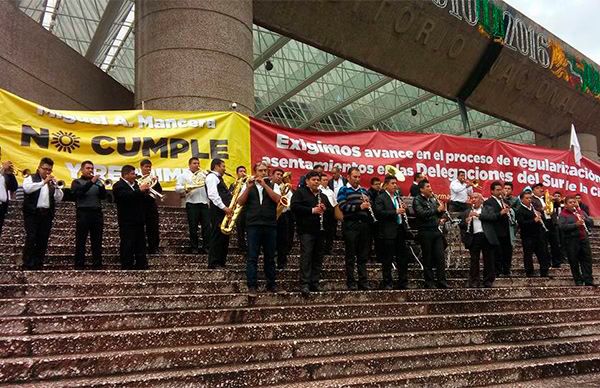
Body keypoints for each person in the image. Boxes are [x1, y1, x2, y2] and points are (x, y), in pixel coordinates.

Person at [237, 162, 282, 295]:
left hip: (270, 224)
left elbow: (278, 199)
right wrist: (248, 188)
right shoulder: (248, 185)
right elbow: (240, 202)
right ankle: (252, 285)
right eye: (260, 170)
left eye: (265, 170)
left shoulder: (273, 185)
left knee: (270, 256)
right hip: (253, 225)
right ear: (255, 171)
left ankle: (271, 284)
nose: (263, 173)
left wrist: (264, 185)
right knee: (252, 256)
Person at [291, 170, 332, 296]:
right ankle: (304, 284)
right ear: (307, 181)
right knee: (307, 256)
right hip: (306, 230)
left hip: (320, 231)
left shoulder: (323, 195)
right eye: (313, 180)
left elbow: (330, 211)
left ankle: (314, 282)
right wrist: (312, 210)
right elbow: (294, 207)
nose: (316, 182)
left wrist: (325, 209)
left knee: (318, 257)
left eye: (318, 180)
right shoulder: (300, 193)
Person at [22, 157, 64, 270]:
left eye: (50, 170)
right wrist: (43, 182)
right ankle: (27, 262)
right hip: (32, 213)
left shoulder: (51, 183)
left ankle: (38, 262)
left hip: (46, 214)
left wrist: (56, 188)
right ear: (39, 168)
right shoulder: (30, 178)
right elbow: (27, 189)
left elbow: (58, 198)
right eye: (45, 169)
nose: (48, 172)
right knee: (31, 237)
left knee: (43, 239)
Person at [337, 167, 374, 290]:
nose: (357, 179)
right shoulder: (343, 189)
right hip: (350, 225)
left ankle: (363, 281)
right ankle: (351, 282)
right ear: (348, 177)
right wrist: (360, 206)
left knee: (363, 255)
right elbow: (343, 206)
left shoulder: (364, 190)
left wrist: (369, 204)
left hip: (363, 225)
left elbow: (369, 207)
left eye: (359, 177)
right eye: (355, 177)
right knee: (350, 255)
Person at [374, 175, 409, 290]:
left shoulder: (398, 197)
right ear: (386, 185)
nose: (395, 185)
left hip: (400, 230)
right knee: (388, 259)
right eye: (393, 183)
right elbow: (379, 213)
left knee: (402, 258)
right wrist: (395, 211)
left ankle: (403, 282)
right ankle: (387, 282)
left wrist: (404, 208)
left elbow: (402, 212)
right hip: (388, 232)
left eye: (396, 183)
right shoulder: (381, 197)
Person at [113, 165, 150, 270]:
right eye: (132, 174)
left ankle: (141, 264)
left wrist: (145, 193)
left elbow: (140, 199)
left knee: (141, 243)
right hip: (127, 220)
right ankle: (127, 265)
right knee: (127, 243)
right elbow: (124, 197)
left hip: (139, 219)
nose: (135, 176)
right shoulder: (118, 185)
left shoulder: (136, 185)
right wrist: (139, 191)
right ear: (125, 175)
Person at [412, 179, 448, 289]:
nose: (430, 188)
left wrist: (443, 210)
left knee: (440, 257)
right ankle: (429, 281)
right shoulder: (417, 200)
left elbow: (438, 214)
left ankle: (442, 281)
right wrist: (437, 210)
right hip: (425, 231)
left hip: (435, 231)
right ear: (422, 189)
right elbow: (421, 214)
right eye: (427, 186)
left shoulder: (432, 200)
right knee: (427, 257)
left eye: (430, 186)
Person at [71, 160, 106, 269]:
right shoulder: (76, 182)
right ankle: (79, 264)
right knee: (81, 240)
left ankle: (97, 264)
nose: (90, 170)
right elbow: (78, 193)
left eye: (92, 168)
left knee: (97, 240)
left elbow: (103, 196)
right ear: (82, 170)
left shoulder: (97, 182)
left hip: (96, 213)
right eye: (88, 168)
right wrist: (91, 182)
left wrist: (101, 185)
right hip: (83, 212)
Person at [176, 157, 211, 254]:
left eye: (198, 163)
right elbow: (177, 188)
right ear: (189, 164)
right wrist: (186, 188)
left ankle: (206, 246)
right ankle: (194, 247)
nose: (197, 165)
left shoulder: (204, 175)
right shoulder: (183, 175)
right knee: (193, 227)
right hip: (192, 203)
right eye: (194, 163)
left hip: (204, 203)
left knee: (207, 227)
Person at [559, 196, 596, 286]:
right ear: (566, 205)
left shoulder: (581, 212)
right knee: (574, 261)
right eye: (570, 202)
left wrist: (585, 219)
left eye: (574, 202)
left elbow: (591, 222)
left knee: (587, 260)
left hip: (583, 239)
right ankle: (578, 280)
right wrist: (576, 224)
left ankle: (588, 280)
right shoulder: (563, 214)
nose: (573, 204)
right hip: (571, 241)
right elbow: (561, 227)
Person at [460, 193, 495, 288]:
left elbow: (493, 218)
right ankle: (474, 281)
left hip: (486, 236)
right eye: (471, 198)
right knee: (474, 260)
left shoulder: (488, 209)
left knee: (488, 259)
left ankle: (488, 281)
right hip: (474, 237)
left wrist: (478, 215)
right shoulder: (467, 211)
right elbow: (461, 225)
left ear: (481, 199)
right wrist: (466, 221)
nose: (473, 200)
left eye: (475, 198)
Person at [479, 181, 513, 278]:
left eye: (500, 189)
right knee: (497, 253)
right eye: (497, 190)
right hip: (496, 232)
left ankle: (506, 270)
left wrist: (509, 212)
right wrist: (500, 213)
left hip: (506, 230)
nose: (500, 192)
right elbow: (488, 216)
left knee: (507, 252)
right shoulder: (488, 202)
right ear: (492, 191)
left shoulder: (505, 201)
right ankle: (497, 272)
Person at [515, 191, 550, 278]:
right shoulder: (520, 210)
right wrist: (534, 220)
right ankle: (529, 272)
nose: (529, 200)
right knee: (528, 254)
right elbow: (522, 223)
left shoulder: (534, 208)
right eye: (527, 198)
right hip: (528, 236)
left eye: (530, 198)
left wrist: (540, 217)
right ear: (522, 199)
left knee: (542, 253)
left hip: (538, 234)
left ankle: (544, 271)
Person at [206, 158, 233, 269]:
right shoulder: (212, 177)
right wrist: (224, 207)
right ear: (216, 166)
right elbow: (212, 195)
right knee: (217, 236)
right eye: (223, 166)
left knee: (223, 237)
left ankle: (221, 261)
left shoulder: (218, 178)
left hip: (223, 211)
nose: (224, 169)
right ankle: (214, 262)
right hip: (218, 211)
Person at [532, 183, 563, 268]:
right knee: (543, 244)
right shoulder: (532, 200)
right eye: (538, 188)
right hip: (542, 223)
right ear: (533, 190)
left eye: (541, 188)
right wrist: (542, 209)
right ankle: (547, 263)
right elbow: (532, 209)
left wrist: (556, 200)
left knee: (555, 243)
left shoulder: (547, 197)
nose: (540, 190)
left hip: (552, 222)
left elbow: (558, 205)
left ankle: (556, 262)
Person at [140, 159, 162, 254]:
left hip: (151, 205)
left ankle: (154, 247)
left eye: (149, 167)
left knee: (153, 227)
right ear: (141, 167)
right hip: (140, 204)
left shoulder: (153, 179)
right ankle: (141, 246)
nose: (148, 169)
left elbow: (159, 191)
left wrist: (155, 182)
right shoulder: (138, 178)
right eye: (146, 167)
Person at [271, 167, 292, 269]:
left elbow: (289, 202)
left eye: (280, 175)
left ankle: (282, 262)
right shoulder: (269, 186)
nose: (279, 177)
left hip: (282, 215)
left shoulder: (285, 187)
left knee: (283, 240)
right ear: (272, 175)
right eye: (277, 174)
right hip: (271, 215)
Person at [229, 165, 248, 252]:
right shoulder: (233, 184)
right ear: (237, 174)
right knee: (240, 228)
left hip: (248, 209)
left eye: (244, 171)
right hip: (238, 209)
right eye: (241, 171)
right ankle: (242, 247)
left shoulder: (249, 183)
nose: (243, 173)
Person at [320, 173, 337, 255]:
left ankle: (329, 249)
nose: (326, 181)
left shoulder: (330, 191)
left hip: (331, 213)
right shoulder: (319, 190)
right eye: (324, 180)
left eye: (327, 180)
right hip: (323, 213)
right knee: (323, 233)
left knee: (331, 232)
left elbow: (334, 202)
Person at [0, 160, 18, 237]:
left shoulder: (4, 172)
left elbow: (13, 187)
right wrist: (2, 170)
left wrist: (10, 174)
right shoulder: (2, 171)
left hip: (1, 206)